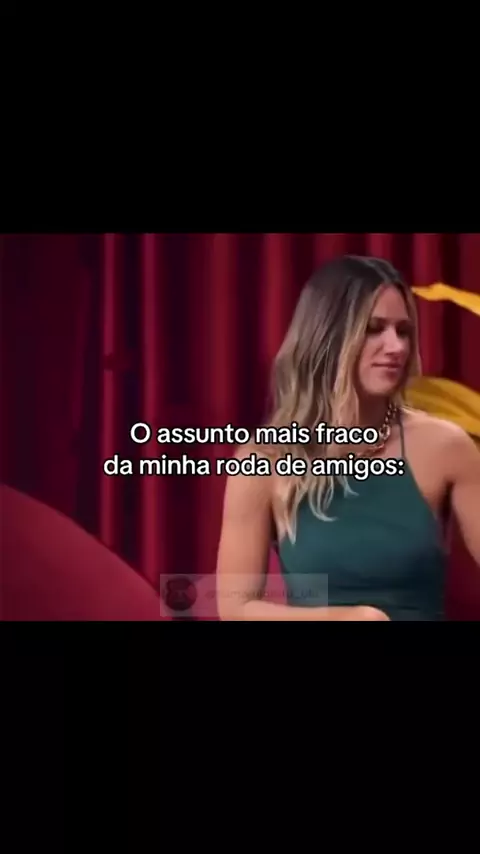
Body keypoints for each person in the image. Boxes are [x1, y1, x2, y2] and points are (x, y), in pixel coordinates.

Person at [215, 255, 480, 620]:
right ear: (327, 336)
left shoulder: (446, 446)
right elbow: (235, 608)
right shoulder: (265, 459)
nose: (397, 347)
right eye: (374, 328)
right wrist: (344, 618)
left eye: (403, 331)